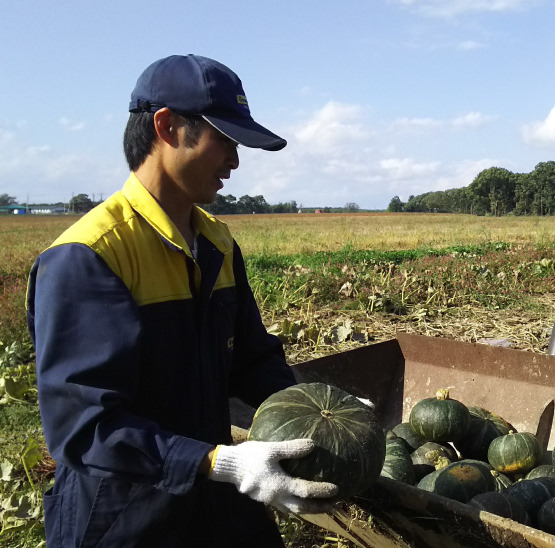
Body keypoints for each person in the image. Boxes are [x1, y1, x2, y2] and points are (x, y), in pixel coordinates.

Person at [26, 54, 338, 548]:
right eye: (226, 142)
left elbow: (254, 361)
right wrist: (218, 462)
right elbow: (84, 428)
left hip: (216, 503)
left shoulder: (215, 242)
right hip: (122, 514)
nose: (235, 162)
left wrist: (320, 410)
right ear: (168, 127)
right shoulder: (88, 257)